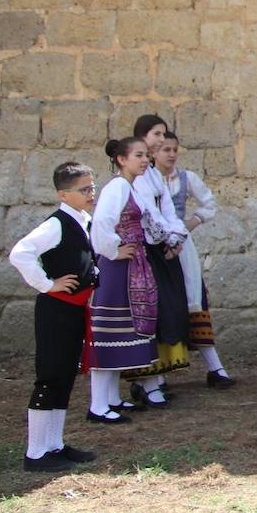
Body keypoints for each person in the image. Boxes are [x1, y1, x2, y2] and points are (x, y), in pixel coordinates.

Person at [7, 161, 101, 472]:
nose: (91, 193)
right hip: (56, 310)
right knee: (50, 377)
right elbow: (20, 253)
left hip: (74, 309)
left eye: (92, 186)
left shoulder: (82, 221)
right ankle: (36, 453)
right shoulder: (57, 224)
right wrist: (48, 284)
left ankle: (54, 445)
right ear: (63, 194)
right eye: (84, 189)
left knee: (64, 377)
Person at [153, 132, 233, 389]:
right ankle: (159, 373)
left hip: (182, 247)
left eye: (174, 149)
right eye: (166, 149)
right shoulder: (146, 181)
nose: (172, 154)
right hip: (156, 249)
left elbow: (209, 203)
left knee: (193, 299)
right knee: (163, 304)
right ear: (154, 152)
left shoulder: (186, 178)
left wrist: (192, 222)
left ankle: (215, 367)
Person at [87, 138, 158, 422]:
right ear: (121, 159)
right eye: (138, 155)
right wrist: (113, 251)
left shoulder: (129, 187)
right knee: (107, 335)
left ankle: (112, 398)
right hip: (118, 268)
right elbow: (102, 221)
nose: (144, 160)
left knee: (121, 335)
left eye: (145, 156)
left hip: (131, 265)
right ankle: (97, 405)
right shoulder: (116, 187)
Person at [123, 115, 191, 407]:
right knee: (148, 317)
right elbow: (146, 212)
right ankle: (144, 382)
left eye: (163, 134)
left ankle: (153, 379)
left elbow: (167, 209)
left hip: (162, 248)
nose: (162, 140)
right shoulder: (134, 174)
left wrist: (177, 238)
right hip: (145, 251)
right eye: (156, 134)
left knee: (168, 313)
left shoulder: (153, 173)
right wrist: (166, 238)